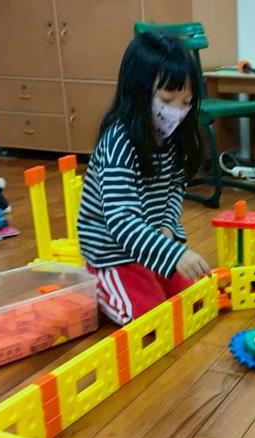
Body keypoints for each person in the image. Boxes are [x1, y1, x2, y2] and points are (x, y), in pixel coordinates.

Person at [77, 31, 212, 325]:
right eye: (167, 100)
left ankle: (146, 275)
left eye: (186, 102)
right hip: (112, 254)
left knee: (194, 303)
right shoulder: (119, 142)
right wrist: (173, 254)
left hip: (148, 248)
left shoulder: (173, 137)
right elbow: (122, 220)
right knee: (153, 322)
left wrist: (168, 228)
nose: (177, 112)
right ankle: (98, 285)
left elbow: (174, 191)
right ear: (139, 92)